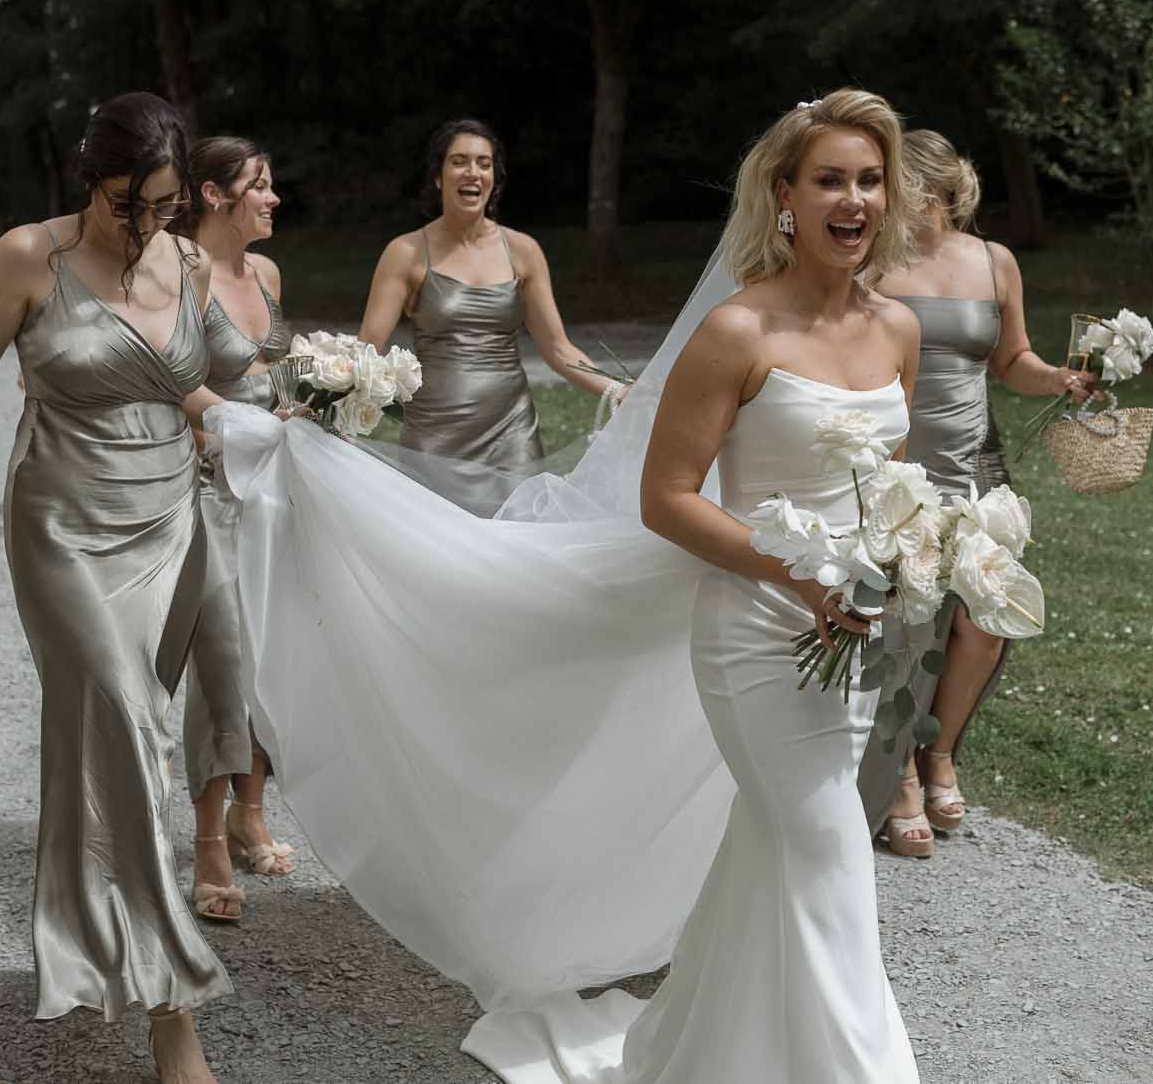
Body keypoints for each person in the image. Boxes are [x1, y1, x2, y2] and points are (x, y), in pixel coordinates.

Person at [205, 89, 926, 1083]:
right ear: (786, 198)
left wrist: (913, 553)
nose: (852, 199)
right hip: (760, 632)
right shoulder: (736, 330)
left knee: (778, 848)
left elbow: (895, 482)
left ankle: (701, 1049)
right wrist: (797, 572)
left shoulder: (898, 329)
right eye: (829, 180)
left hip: (851, 639)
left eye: (868, 180)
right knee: (824, 842)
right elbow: (666, 499)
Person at [0, 93, 233, 1084]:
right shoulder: (28, 258)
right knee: (128, 727)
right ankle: (172, 1015)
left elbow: (231, 377)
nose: (142, 225)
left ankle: (87, 944)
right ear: (89, 178)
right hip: (63, 532)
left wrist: (332, 378)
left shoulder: (188, 264)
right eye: (125, 203)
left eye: (161, 206)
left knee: (115, 747)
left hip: (170, 529)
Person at [857, 129, 1095, 857]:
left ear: (940, 190)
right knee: (905, 626)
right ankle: (894, 774)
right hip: (902, 465)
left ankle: (941, 751)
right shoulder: (873, 258)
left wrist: (1056, 379)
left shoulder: (994, 261)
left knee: (986, 620)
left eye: (908, 189)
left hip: (981, 467)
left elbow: (1011, 357)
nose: (899, 202)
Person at [178, 136, 297, 924]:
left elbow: (280, 372)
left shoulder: (269, 273)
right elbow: (166, 371)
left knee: (269, 650)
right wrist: (221, 424)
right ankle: (208, 839)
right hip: (210, 487)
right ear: (215, 194)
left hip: (279, 490)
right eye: (259, 185)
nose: (273, 197)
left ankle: (253, 812)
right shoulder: (180, 265)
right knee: (222, 652)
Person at [358, 119, 620, 471]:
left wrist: (615, 389)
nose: (473, 172)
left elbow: (558, 348)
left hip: (511, 432)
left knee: (515, 524)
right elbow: (368, 347)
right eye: (459, 161)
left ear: (494, 179)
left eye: (484, 164)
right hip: (434, 435)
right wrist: (324, 401)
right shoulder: (406, 252)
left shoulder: (523, 251)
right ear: (438, 176)